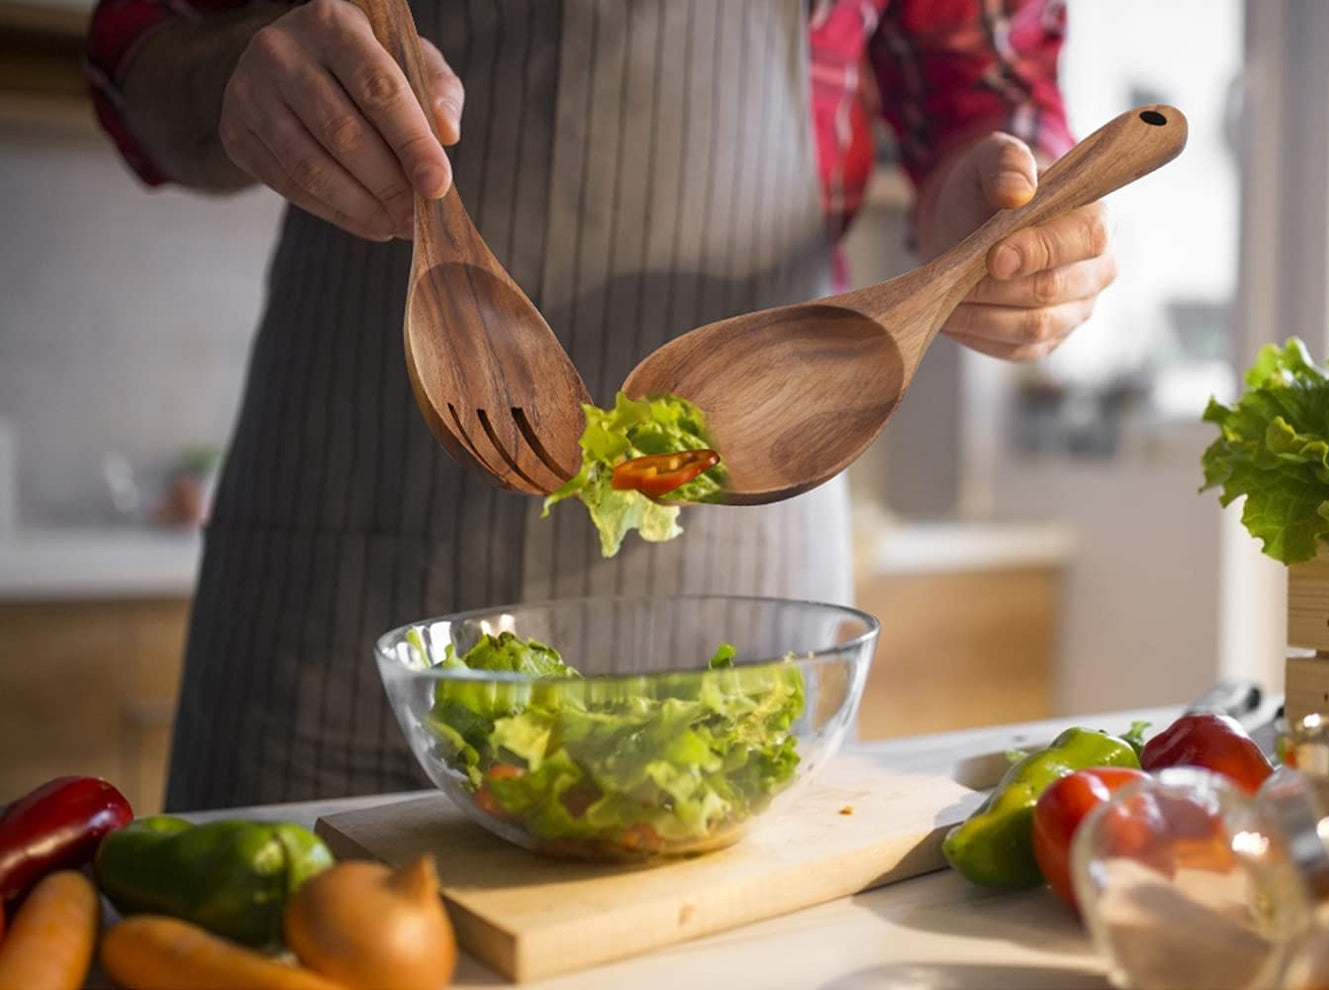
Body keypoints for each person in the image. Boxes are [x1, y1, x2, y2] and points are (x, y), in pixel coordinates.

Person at [85, 0, 1116, 810]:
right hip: (345, 563)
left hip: (750, 542)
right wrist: (230, 77)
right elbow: (139, 55)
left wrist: (992, 210)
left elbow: (982, 84)